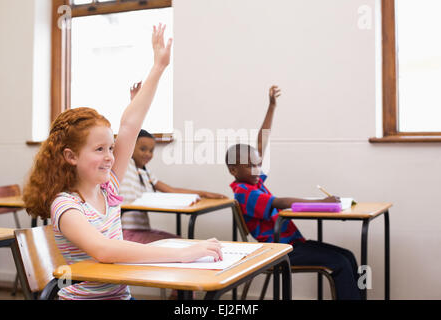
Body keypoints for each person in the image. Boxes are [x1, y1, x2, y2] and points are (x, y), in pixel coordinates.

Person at [22, 24, 222, 300]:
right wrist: (182, 253)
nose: (109, 157)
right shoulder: (65, 205)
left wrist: (159, 66)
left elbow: (129, 126)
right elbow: (105, 250)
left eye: (111, 148)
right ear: (71, 156)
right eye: (99, 149)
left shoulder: (108, 187)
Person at [226, 85, 361, 300]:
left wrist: (271, 107)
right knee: (341, 263)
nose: (256, 169)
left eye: (258, 165)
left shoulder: (254, 181)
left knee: (349, 256)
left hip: (293, 243)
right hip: (278, 249)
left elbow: (260, 145)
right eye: (250, 165)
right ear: (233, 170)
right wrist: (321, 202)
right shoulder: (242, 192)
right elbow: (279, 202)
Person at [120, 83, 227, 244]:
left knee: (180, 241)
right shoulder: (124, 164)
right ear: (131, 147)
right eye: (143, 149)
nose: (148, 154)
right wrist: (134, 101)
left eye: (151, 150)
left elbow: (171, 190)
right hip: (125, 234)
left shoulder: (146, 173)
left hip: (142, 231)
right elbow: (127, 130)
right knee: (181, 245)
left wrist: (204, 193)